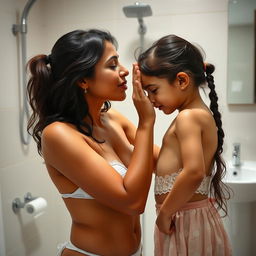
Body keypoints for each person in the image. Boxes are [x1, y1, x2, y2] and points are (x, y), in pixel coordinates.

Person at [27, 29, 159, 256]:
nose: (125, 71)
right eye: (112, 65)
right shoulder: (58, 134)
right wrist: (146, 122)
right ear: (82, 80)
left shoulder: (112, 119)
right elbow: (133, 202)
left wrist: (184, 89)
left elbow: (165, 163)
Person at [135, 34, 232, 255]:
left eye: (153, 89)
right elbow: (175, 166)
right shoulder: (195, 114)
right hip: (188, 218)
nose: (150, 98)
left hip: (184, 221)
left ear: (181, 80)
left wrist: (165, 214)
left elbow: (194, 171)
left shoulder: (187, 118)